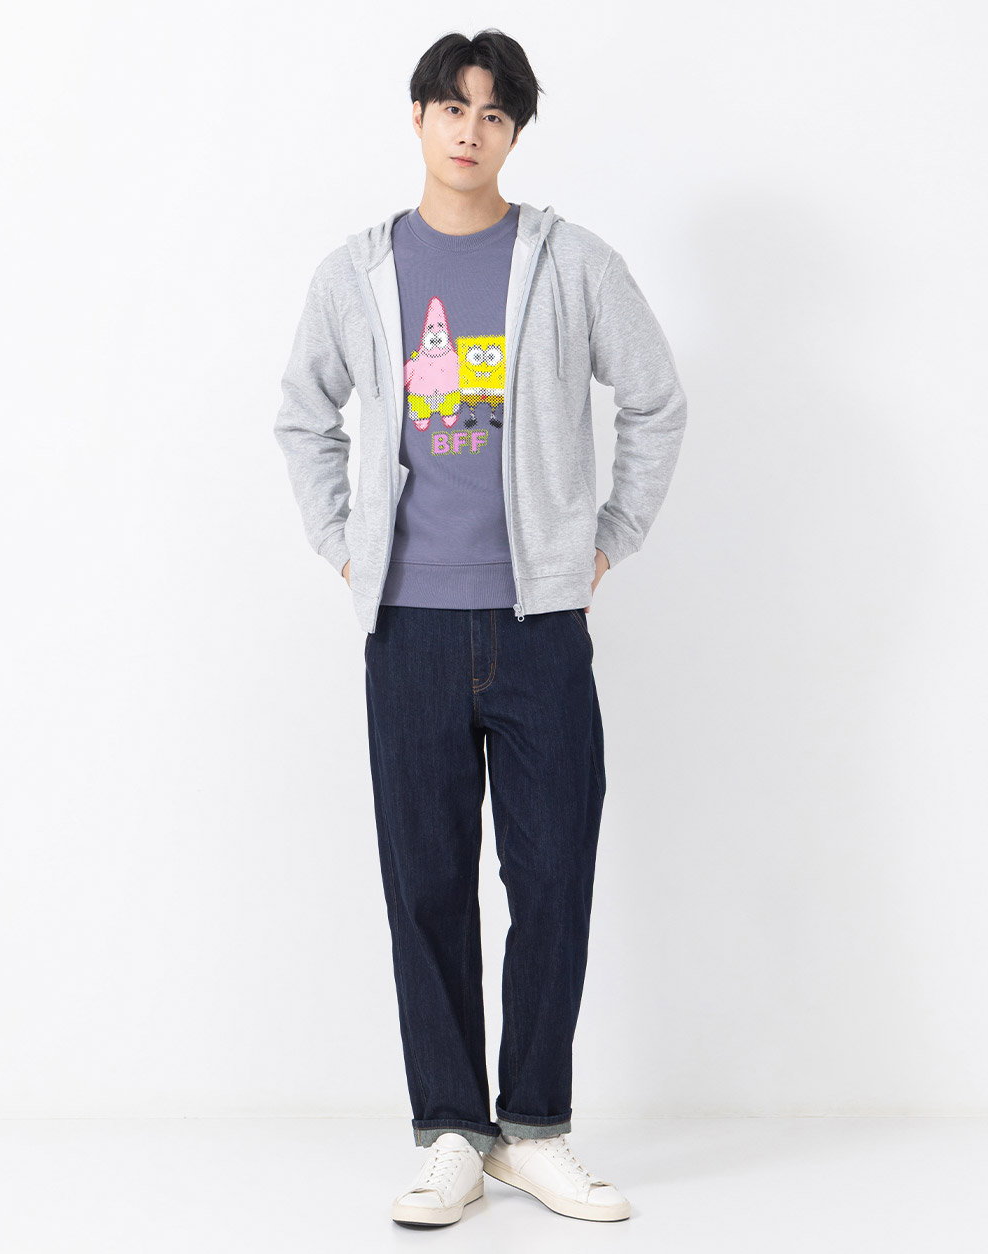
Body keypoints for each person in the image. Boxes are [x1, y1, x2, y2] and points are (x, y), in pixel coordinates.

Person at [274, 28, 688, 1228]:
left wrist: (604, 538)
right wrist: (345, 544)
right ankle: (453, 1132)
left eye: (494, 113)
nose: (470, 130)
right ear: (417, 118)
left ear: (514, 132)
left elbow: (656, 402)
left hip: (539, 624)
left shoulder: (571, 263)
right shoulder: (358, 275)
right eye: (451, 107)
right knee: (426, 884)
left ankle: (537, 1130)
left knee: (552, 877)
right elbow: (302, 416)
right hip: (406, 624)